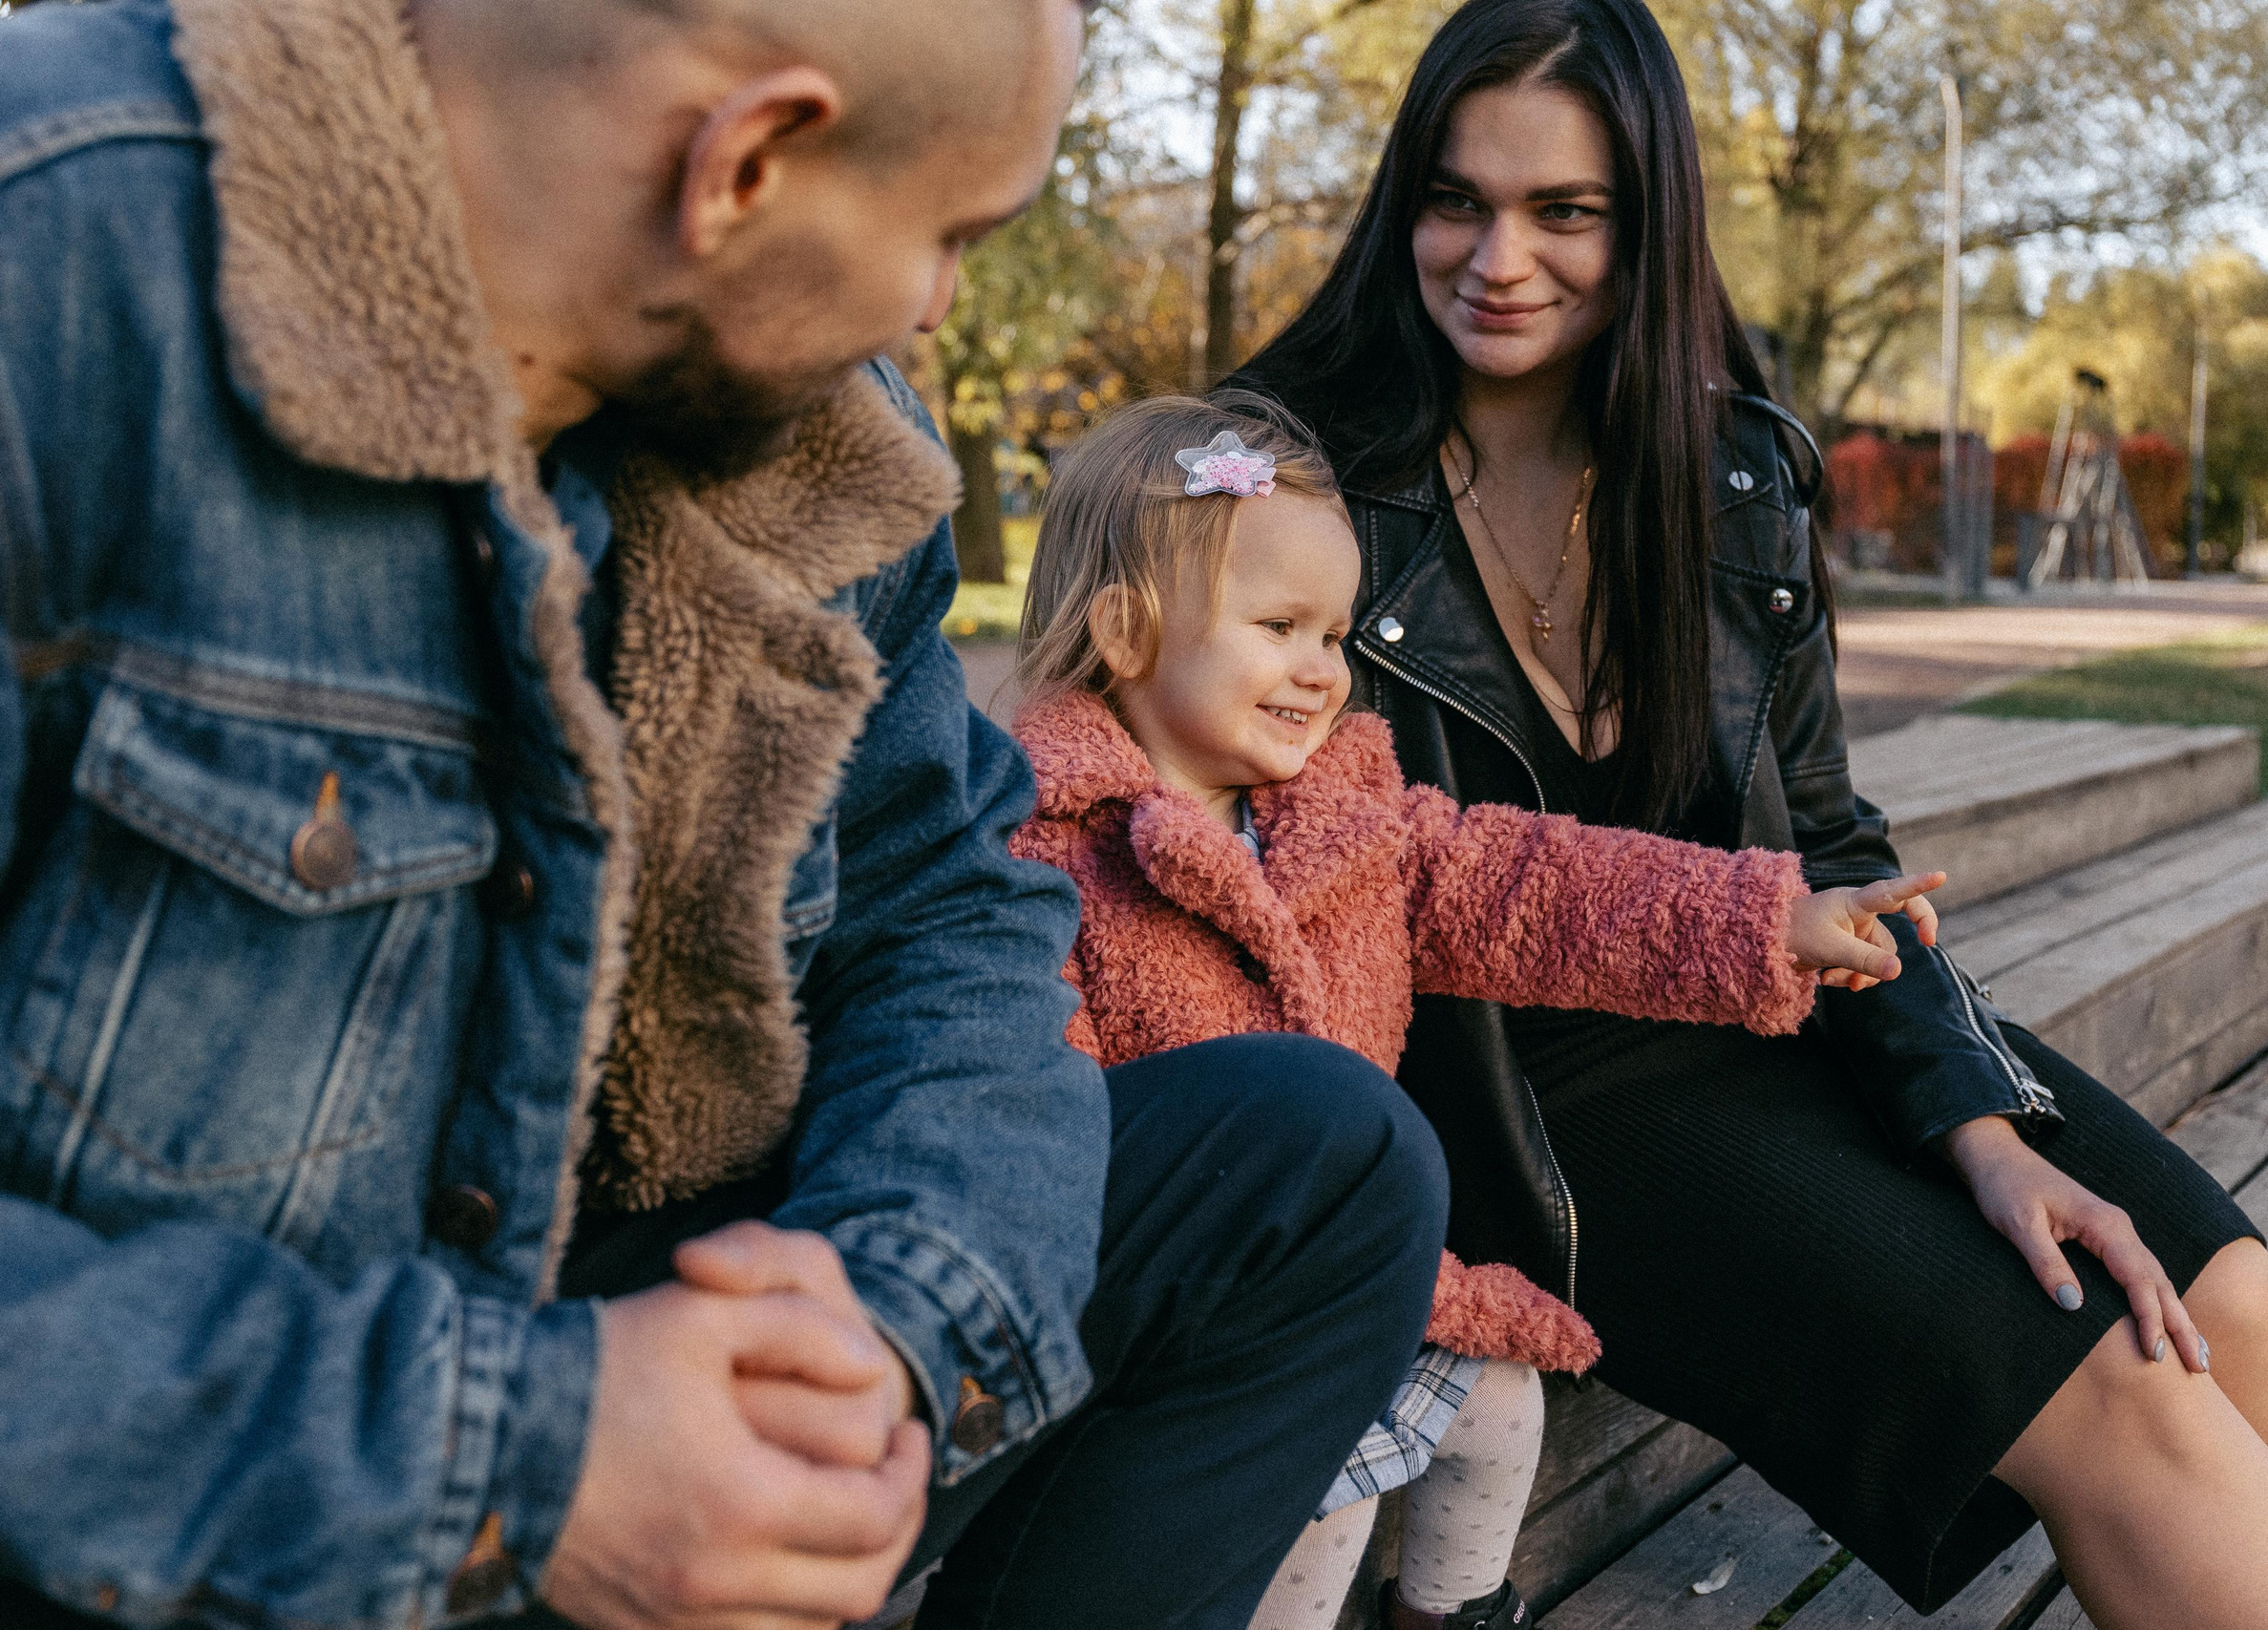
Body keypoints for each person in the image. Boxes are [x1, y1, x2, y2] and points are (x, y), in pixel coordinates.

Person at [0, 2, 1448, 1627]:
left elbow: (946, 908)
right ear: (744, 162)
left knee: (1320, 1160)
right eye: (952, 236)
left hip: (666, 1338)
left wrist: (886, 1317)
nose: (936, 302)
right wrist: (522, 1461)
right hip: (202, 1489)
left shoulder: (834, 443)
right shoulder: (53, 271)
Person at [1228, 3, 2268, 1627]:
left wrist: (1982, 1127)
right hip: (1528, 1090)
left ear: (1647, 221)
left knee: (2231, 1308)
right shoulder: (1279, 474)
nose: (1497, 256)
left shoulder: (1733, 467)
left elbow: (1830, 844)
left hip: (1781, 987)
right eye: (1458, 200)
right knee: (2121, 1394)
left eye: (1565, 211)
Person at [1002, 394, 1946, 1630]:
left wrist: (1765, 923)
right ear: (1126, 631)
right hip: (1173, 1301)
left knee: (1501, 1403)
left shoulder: (1352, 815)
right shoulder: (1042, 859)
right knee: (1326, 1479)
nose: (1320, 670)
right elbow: (1019, 1103)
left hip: (1355, 1260)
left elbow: (1538, 885)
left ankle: (1451, 1615)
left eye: (1336, 633)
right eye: (1278, 626)